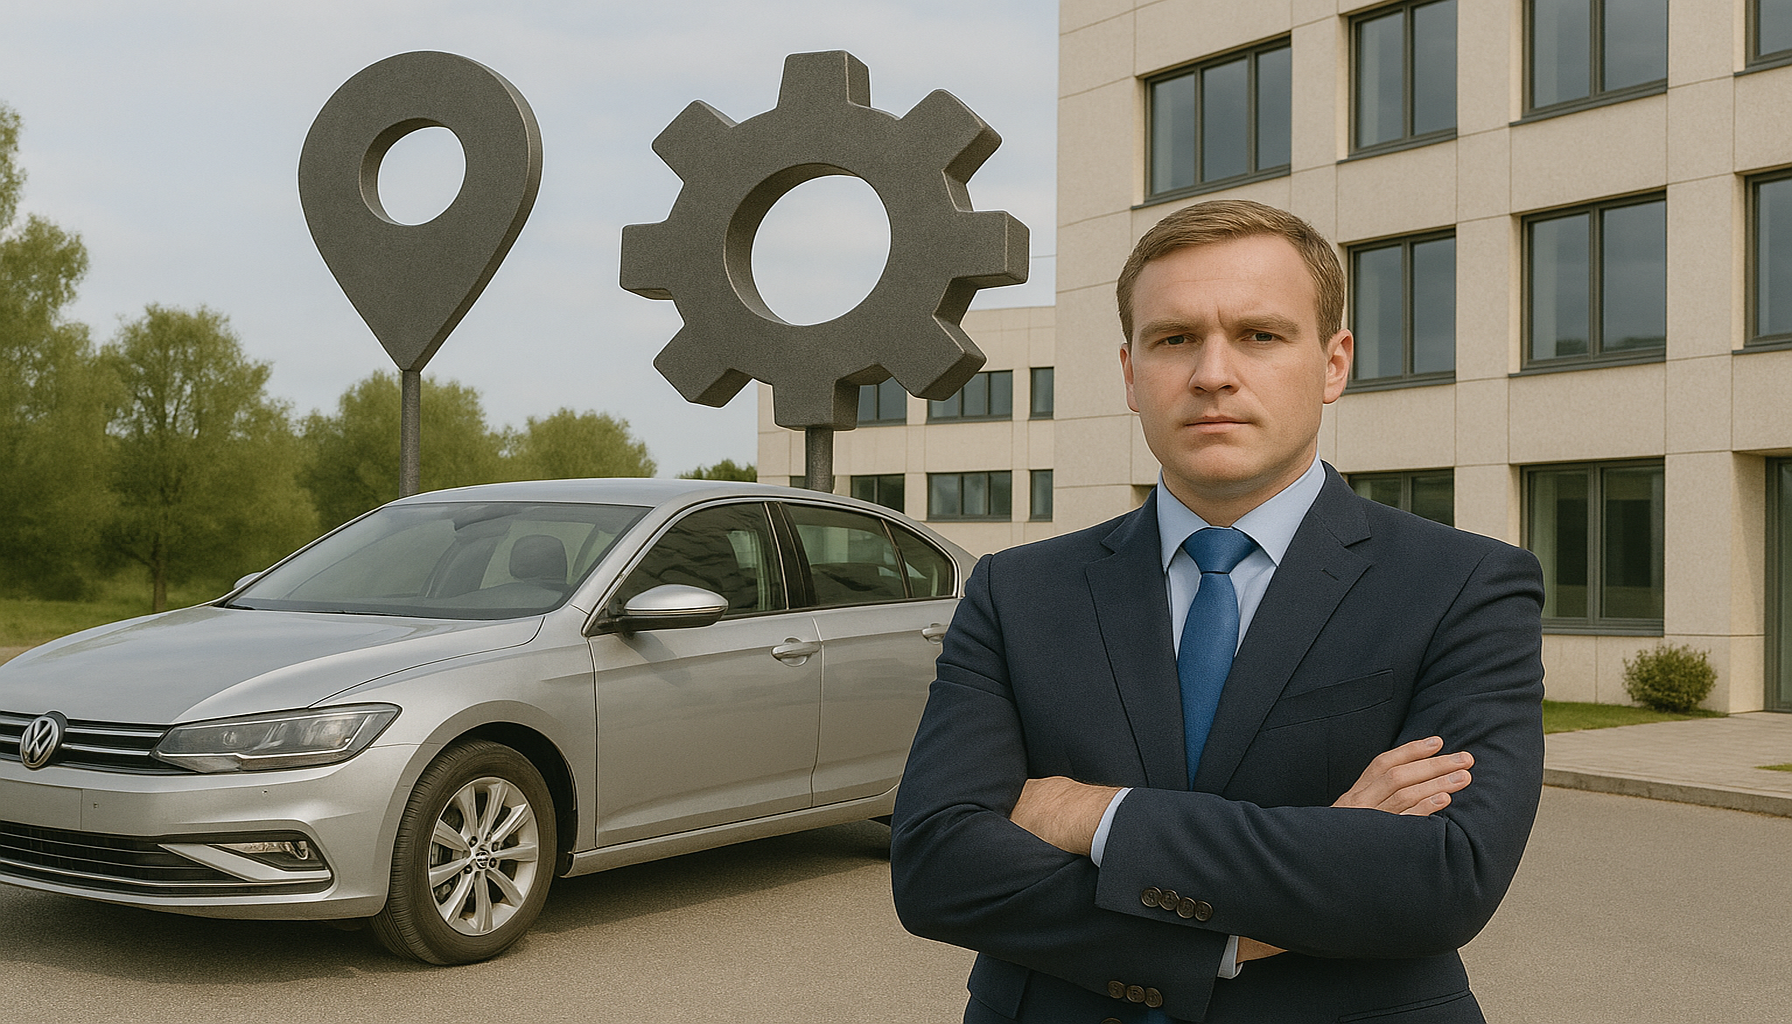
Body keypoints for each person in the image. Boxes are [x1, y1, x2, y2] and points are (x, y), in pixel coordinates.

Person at [889, 199, 1545, 1024]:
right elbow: (937, 867)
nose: (1212, 374)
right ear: (1130, 373)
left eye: (1260, 336)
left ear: (1334, 363)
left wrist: (1092, 812)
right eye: (1174, 340)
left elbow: (1443, 875)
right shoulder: (1016, 592)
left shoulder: (1466, 585)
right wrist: (1276, 895)